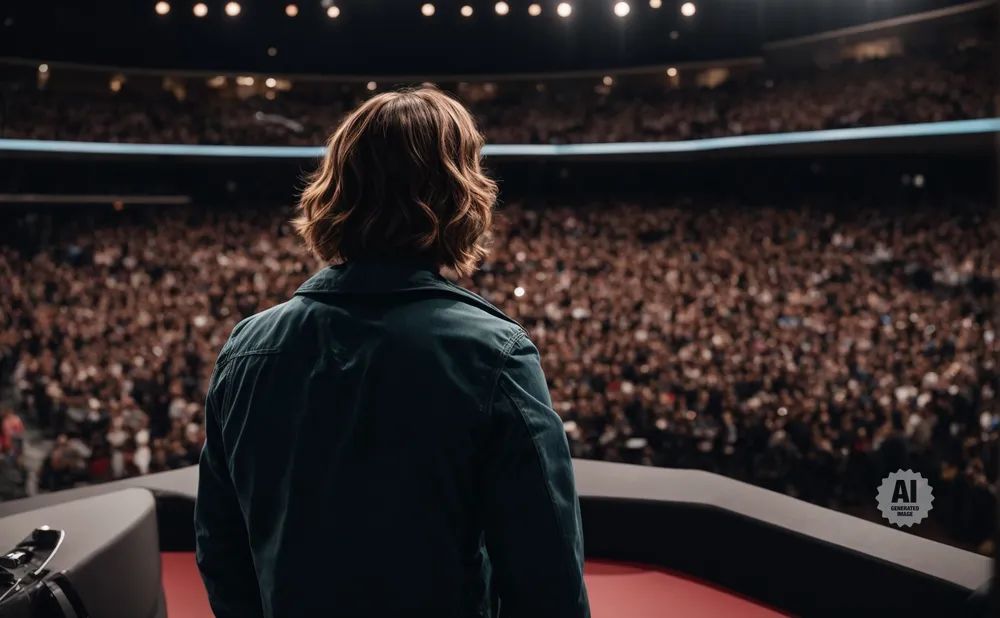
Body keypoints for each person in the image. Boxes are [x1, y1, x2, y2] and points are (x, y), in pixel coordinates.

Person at [194, 87, 590, 618]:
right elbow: (548, 580)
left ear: (334, 191)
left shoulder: (245, 350)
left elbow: (221, 552)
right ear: (459, 195)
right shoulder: (495, 355)